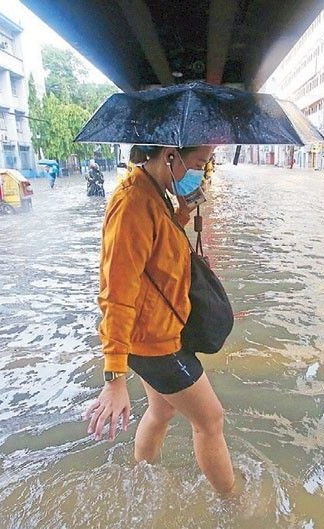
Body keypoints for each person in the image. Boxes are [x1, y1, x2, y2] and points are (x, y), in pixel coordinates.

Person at [85, 144, 236, 494]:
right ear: (171, 154)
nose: (202, 172)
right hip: (154, 343)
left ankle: (139, 477)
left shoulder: (154, 193)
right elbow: (116, 295)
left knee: (162, 411)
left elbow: (156, 252)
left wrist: (181, 214)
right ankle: (232, 504)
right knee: (210, 420)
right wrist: (114, 379)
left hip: (159, 332)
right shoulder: (132, 203)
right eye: (200, 163)